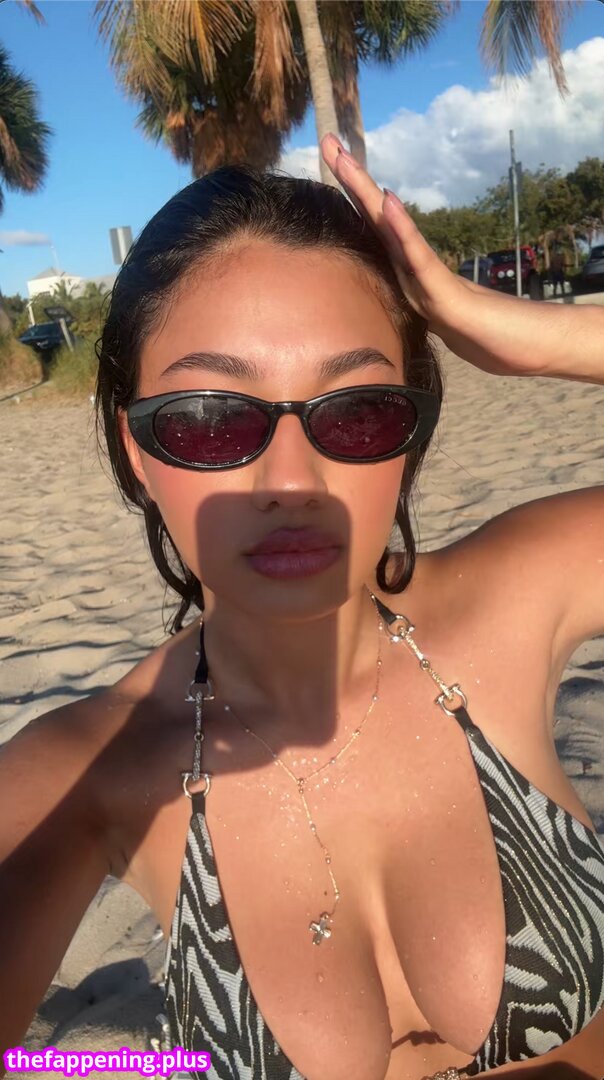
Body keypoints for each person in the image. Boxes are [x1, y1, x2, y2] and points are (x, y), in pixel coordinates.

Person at [0, 134, 603, 1080]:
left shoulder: (518, 598)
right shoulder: (90, 770)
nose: (292, 480)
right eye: (210, 420)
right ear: (136, 450)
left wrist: (534, 335)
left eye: (359, 410)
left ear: (410, 431)